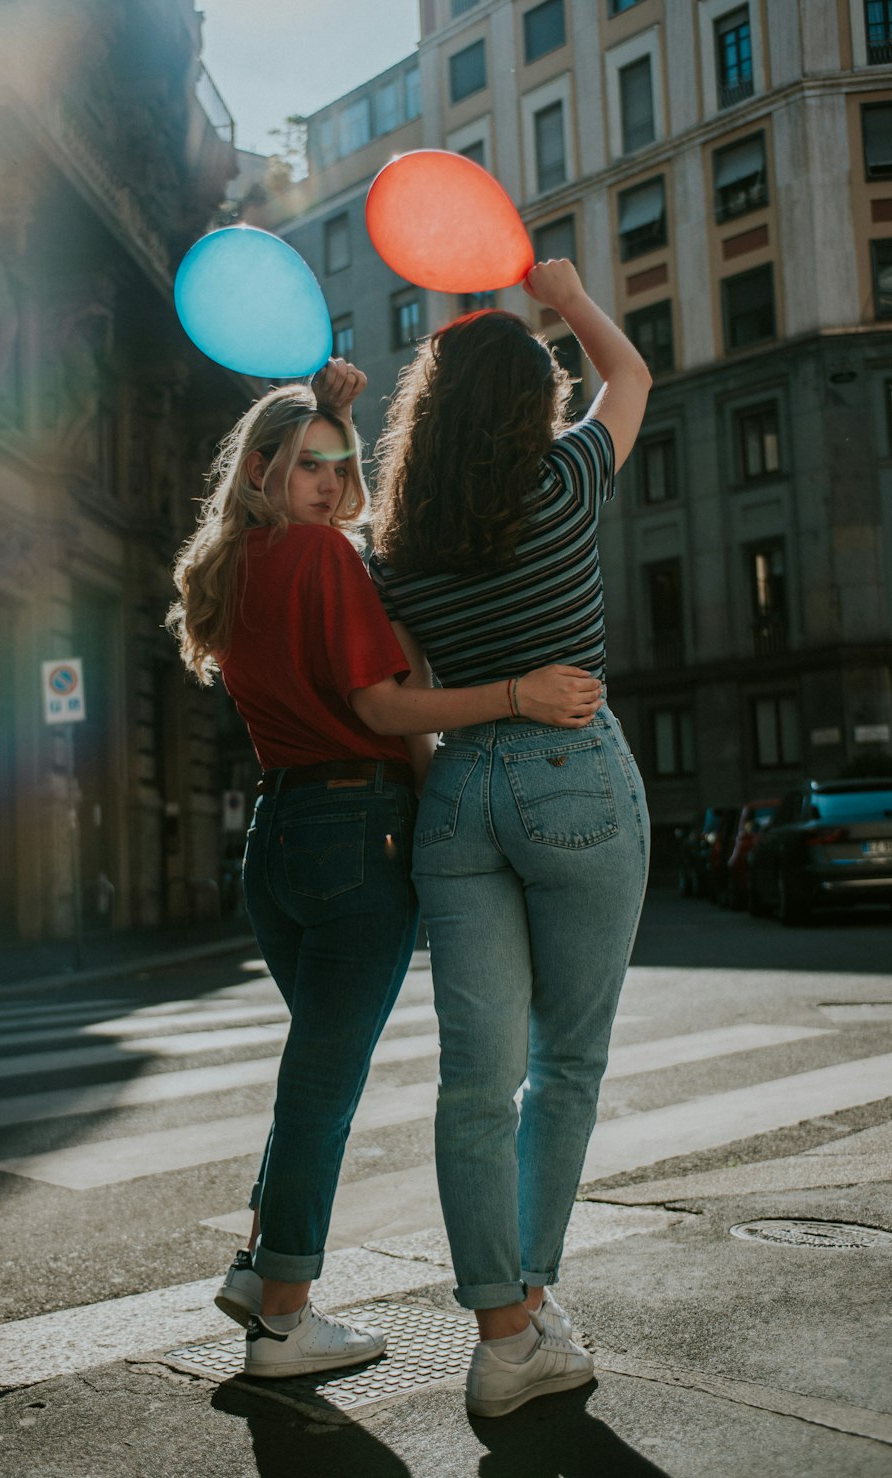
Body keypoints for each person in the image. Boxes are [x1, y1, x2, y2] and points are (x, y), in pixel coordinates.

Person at [166, 358, 605, 1380]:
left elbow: (334, 553)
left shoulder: (233, 563)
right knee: (322, 1086)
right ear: (263, 468)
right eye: (307, 465)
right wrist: (516, 695)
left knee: (310, 1072)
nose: (329, 483)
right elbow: (379, 706)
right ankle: (283, 1317)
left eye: (341, 466)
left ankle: (256, 1273)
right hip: (356, 829)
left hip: (277, 838)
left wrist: (334, 420)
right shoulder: (320, 557)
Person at [369, 259, 652, 1418]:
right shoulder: (566, 480)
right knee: (566, 1063)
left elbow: (388, 698)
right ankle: (532, 1299)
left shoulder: (395, 549)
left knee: (472, 1087)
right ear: (530, 405)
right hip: (571, 775)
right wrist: (571, 297)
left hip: (456, 796)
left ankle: (498, 1334)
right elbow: (630, 373)